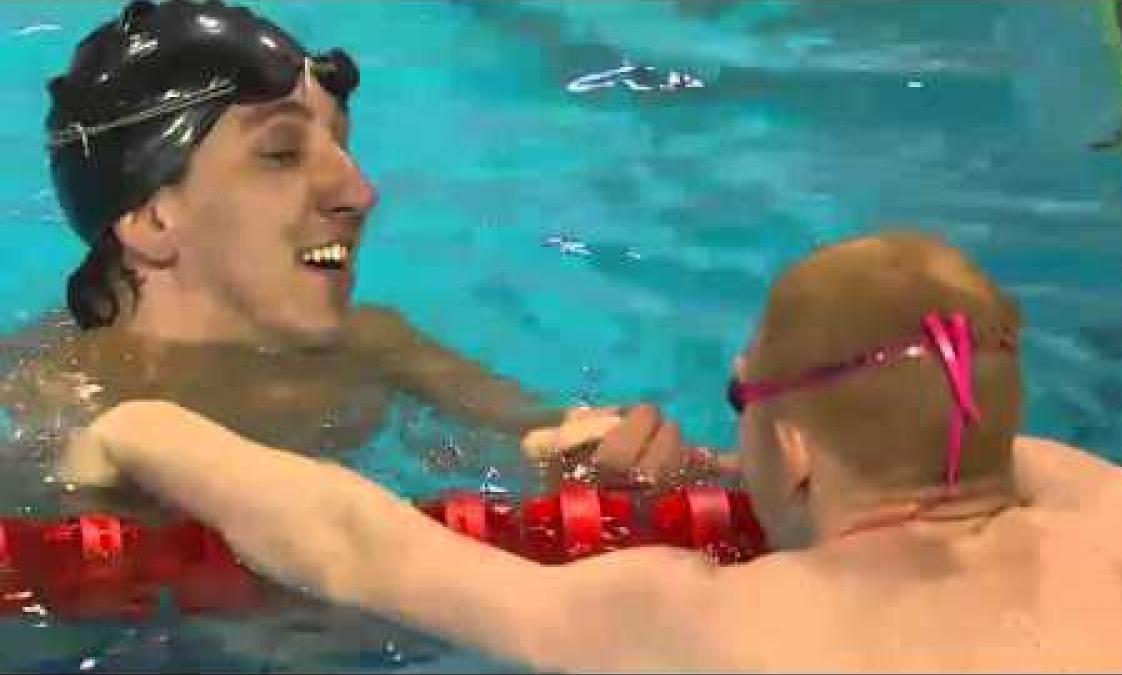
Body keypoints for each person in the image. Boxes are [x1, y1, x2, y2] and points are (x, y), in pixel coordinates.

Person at [60, 232, 1122, 672]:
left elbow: (363, 547)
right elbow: (978, 430)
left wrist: (142, 428)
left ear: (792, 447)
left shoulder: (714, 626)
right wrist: (720, 473)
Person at [0, 0, 702, 516]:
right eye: (280, 153)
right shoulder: (44, 402)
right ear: (152, 217)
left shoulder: (377, 347)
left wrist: (615, 457)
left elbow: (545, 440)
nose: (359, 192)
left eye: (343, 146)